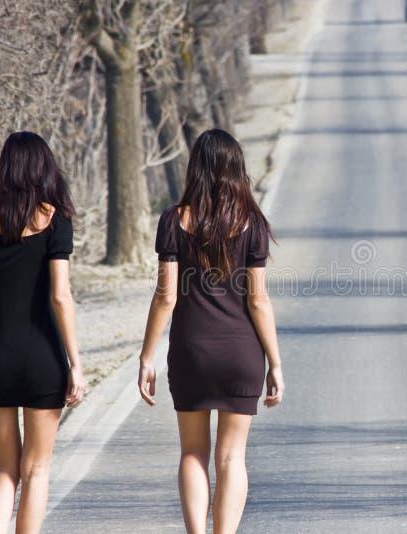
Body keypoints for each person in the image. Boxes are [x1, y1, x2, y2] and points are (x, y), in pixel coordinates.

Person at [138, 128, 285, 534]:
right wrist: (274, 362)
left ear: (196, 170)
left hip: (190, 353)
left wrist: (146, 356)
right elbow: (258, 301)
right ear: (236, 170)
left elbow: (166, 297)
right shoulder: (251, 223)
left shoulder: (174, 220)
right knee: (232, 457)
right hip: (242, 356)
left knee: (192, 454)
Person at [0, 131, 85, 534]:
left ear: (4, 168)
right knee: (37, 469)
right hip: (43, 358)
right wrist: (75, 364)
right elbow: (61, 297)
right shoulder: (55, 220)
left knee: (4, 469)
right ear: (44, 169)